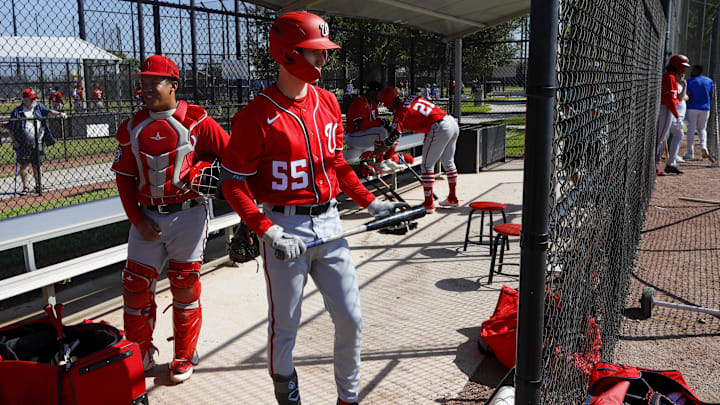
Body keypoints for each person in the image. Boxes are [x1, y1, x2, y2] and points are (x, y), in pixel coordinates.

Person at [219, 12, 406, 405]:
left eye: (324, 52)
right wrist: (265, 229)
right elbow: (233, 184)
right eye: (314, 52)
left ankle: (348, 399)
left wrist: (373, 205)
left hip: (331, 223)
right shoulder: (256, 114)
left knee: (351, 319)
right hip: (284, 226)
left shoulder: (327, 102)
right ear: (287, 53)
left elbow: (336, 165)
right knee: (285, 326)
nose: (323, 60)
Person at [110, 55, 230, 383]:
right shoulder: (132, 126)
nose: (145, 88)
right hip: (147, 215)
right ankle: (140, 351)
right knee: (134, 287)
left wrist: (209, 172)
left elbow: (232, 157)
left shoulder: (197, 121)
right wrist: (136, 218)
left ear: (173, 85)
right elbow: (123, 178)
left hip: (188, 214)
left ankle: (184, 354)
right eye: (143, 82)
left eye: (153, 82)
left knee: (184, 285)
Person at [378, 86, 460, 212]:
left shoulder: (400, 112)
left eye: (385, 103)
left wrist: (379, 151)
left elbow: (394, 136)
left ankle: (428, 204)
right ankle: (452, 198)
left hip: (438, 126)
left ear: (389, 102)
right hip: (451, 122)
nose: (386, 107)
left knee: (427, 166)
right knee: (448, 162)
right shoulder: (411, 98)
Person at [8, 89, 66, 195]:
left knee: (37, 165)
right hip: (23, 143)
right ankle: (25, 187)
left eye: (35, 98)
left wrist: (60, 113)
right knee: (24, 165)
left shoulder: (39, 107)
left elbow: (49, 112)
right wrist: (14, 141)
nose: (35, 100)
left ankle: (38, 186)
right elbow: (10, 128)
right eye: (32, 98)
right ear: (25, 99)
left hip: (37, 141)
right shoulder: (17, 111)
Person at [344, 80, 400, 174]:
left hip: (366, 136)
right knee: (381, 132)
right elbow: (360, 126)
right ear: (372, 92)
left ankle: (388, 160)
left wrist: (383, 123)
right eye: (378, 93)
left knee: (394, 131)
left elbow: (375, 123)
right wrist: (378, 122)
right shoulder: (359, 102)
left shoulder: (373, 104)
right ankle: (379, 165)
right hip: (353, 137)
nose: (379, 96)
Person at [655, 54, 689, 175]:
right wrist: (676, 115)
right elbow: (670, 100)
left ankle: (670, 164)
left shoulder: (672, 78)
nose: (684, 70)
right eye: (682, 66)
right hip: (666, 110)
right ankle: (654, 167)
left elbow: (675, 99)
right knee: (659, 139)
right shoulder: (669, 77)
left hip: (669, 111)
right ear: (676, 66)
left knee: (675, 135)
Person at [684, 64, 715, 160]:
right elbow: (711, 94)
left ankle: (690, 153)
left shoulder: (690, 81)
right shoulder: (709, 81)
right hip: (705, 108)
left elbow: (688, 95)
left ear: (695, 71)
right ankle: (704, 147)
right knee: (702, 129)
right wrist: (708, 104)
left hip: (692, 107)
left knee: (691, 130)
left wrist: (686, 107)